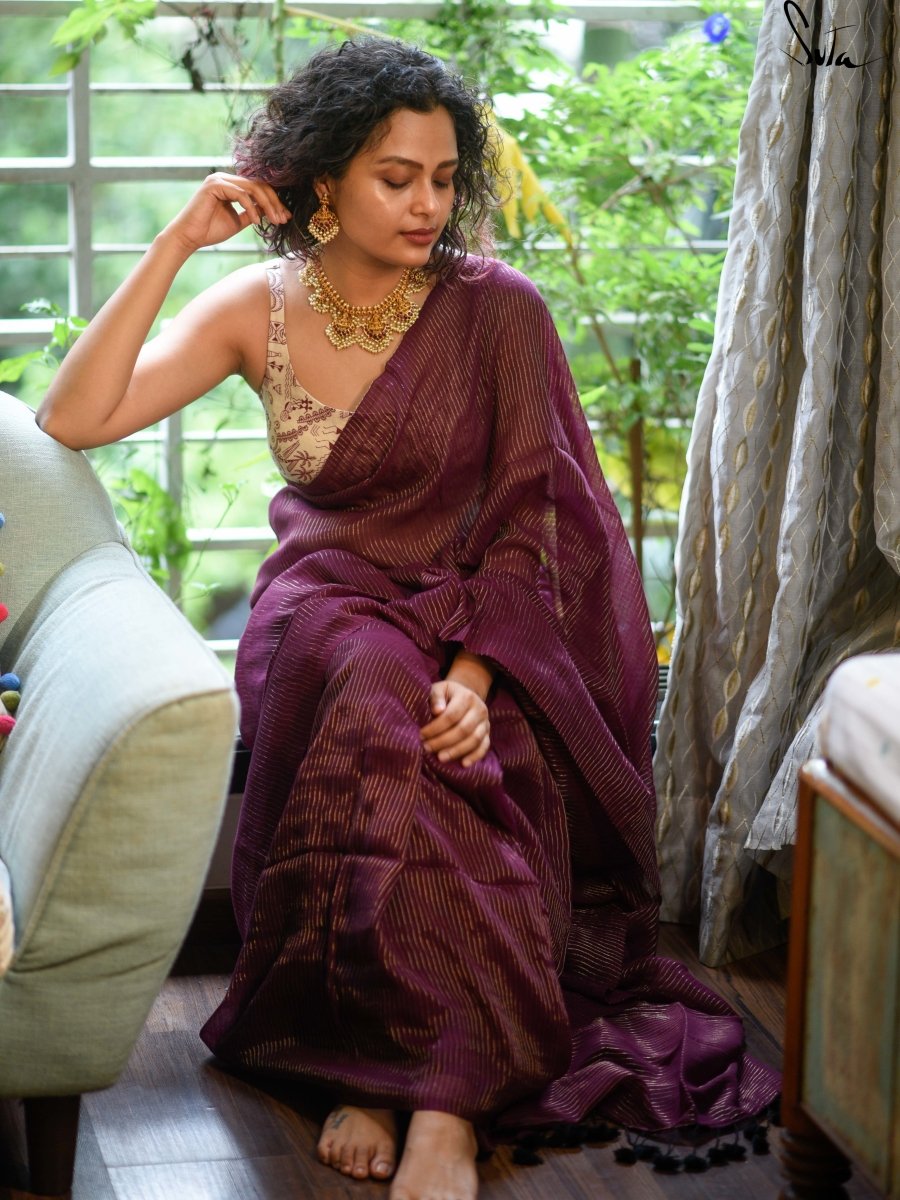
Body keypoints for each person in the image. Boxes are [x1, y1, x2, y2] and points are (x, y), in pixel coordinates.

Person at [37, 37, 779, 1200]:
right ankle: (413, 1069)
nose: (428, 203)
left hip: (485, 619)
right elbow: (75, 420)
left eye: (443, 177)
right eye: (397, 178)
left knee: (433, 732)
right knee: (372, 681)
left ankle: (429, 1090)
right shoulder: (254, 308)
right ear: (324, 181)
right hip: (327, 605)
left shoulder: (501, 313)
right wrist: (177, 242)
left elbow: (533, 523)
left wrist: (478, 678)